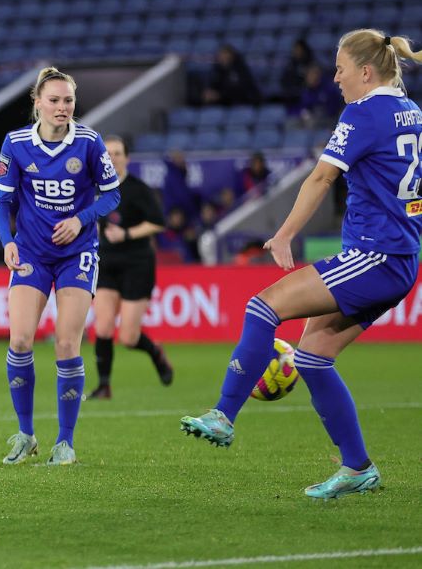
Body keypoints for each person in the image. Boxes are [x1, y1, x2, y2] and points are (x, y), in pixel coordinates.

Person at [181, 29, 422, 499]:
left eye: (341, 69)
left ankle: (223, 415)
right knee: (312, 358)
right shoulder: (412, 111)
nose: (335, 78)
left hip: (375, 254)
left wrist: (285, 233)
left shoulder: (364, 112)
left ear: (366, 72)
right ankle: (357, 468)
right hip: (399, 257)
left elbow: (321, 176)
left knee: (262, 306)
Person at [0, 67, 121, 466]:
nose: (62, 107)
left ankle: (64, 442)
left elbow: (112, 196)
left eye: (68, 100)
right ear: (37, 103)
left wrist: (80, 220)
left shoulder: (89, 142)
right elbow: (3, 204)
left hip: (77, 253)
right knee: (20, 341)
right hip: (31, 252)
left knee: (67, 343)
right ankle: (26, 435)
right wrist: (8, 242)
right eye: (54, 100)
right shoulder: (15, 144)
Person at [89, 136, 172, 401]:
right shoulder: (94, 187)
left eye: (117, 153)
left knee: (128, 337)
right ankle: (104, 386)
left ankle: (156, 353)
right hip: (106, 262)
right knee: (102, 328)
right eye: (108, 153)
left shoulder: (138, 189)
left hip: (137, 263)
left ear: (126, 158)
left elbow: (158, 223)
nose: (112, 158)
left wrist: (126, 234)